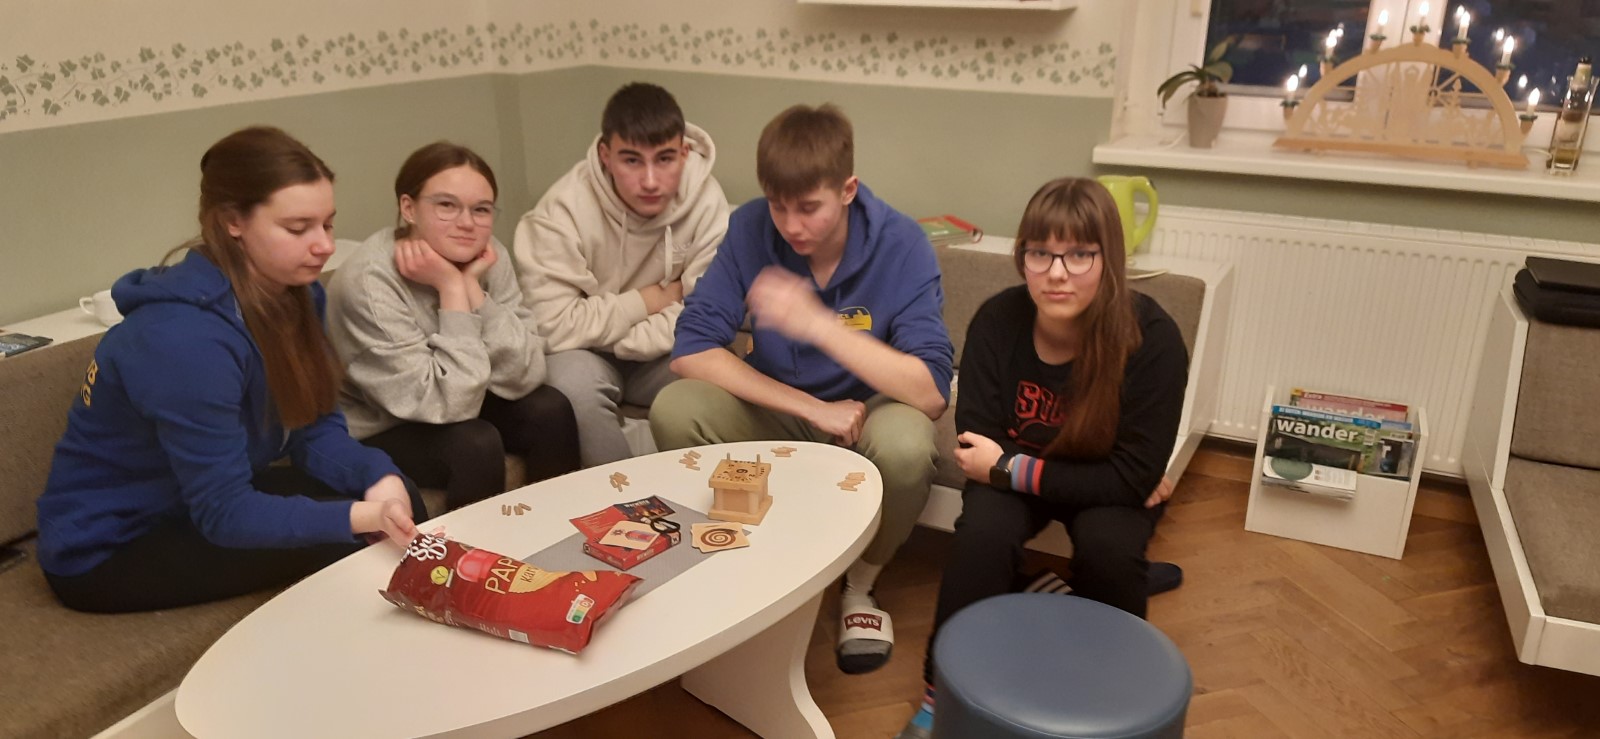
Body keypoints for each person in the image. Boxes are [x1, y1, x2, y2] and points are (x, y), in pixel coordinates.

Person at [35, 126, 424, 614]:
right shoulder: (181, 339)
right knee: (353, 547)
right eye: (298, 228)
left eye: (327, 224)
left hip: (198, 501)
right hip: (113, 545)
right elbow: (224, 513)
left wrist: (378, 477)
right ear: (233, 222)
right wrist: (360, 516)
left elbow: (312, 429)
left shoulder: (299, 296)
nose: (324, 245)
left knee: (401, 499)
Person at [652, 103, 954, 676]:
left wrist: (817, 324)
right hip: (785, 405)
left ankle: (859, 587)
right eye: (778, 205)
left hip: (870, 412)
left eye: (809, 207)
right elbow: (691, 350)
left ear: (847, 190)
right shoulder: (750, 227)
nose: (791, 225)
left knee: (908, 447)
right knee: (675, 408)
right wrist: (815, 409)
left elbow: (931, 392)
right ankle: (746, 563)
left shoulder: (903, 242)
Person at [898, 177, 1189, 739]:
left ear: (1110, 259)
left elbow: (1130, 478)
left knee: (1109, 549)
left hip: (1064, 479)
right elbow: (974, 446)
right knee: (983, 537)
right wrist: (1014, 470)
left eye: (1080, 255)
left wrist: (1012, 467)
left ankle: (1113, 697)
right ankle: (940, 696)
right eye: (1041, 253)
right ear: (1022, 257)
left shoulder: (1152, 338)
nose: (1057, 273)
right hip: (1055, 479)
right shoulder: (997, 320)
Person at [327, 143, 579, 511]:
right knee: (474, 444)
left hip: (460, 392)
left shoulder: (488, 255)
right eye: (446, 205)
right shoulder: (368, 281)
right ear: (408, 208)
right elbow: (447, 405)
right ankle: (474, 549)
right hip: (385, 421)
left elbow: (526, 372)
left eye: (481, 209)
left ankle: (561, 529)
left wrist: (473, 290)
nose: (467, 223)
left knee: (550, 409)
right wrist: (450, 288)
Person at [513, 82, 730, 467]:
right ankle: (623, 499)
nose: (650, 180)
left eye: (665, 159)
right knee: (571, 390)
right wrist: (647, 301)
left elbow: (705, 316)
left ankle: (699, 495)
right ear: (606, 156)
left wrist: (624, 336)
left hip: (661, 351)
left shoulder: (707, 203)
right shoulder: (560, 211)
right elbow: (551, 327)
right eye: (632, 160)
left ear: (684, 153)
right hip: (583, 355)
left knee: (724, 374)